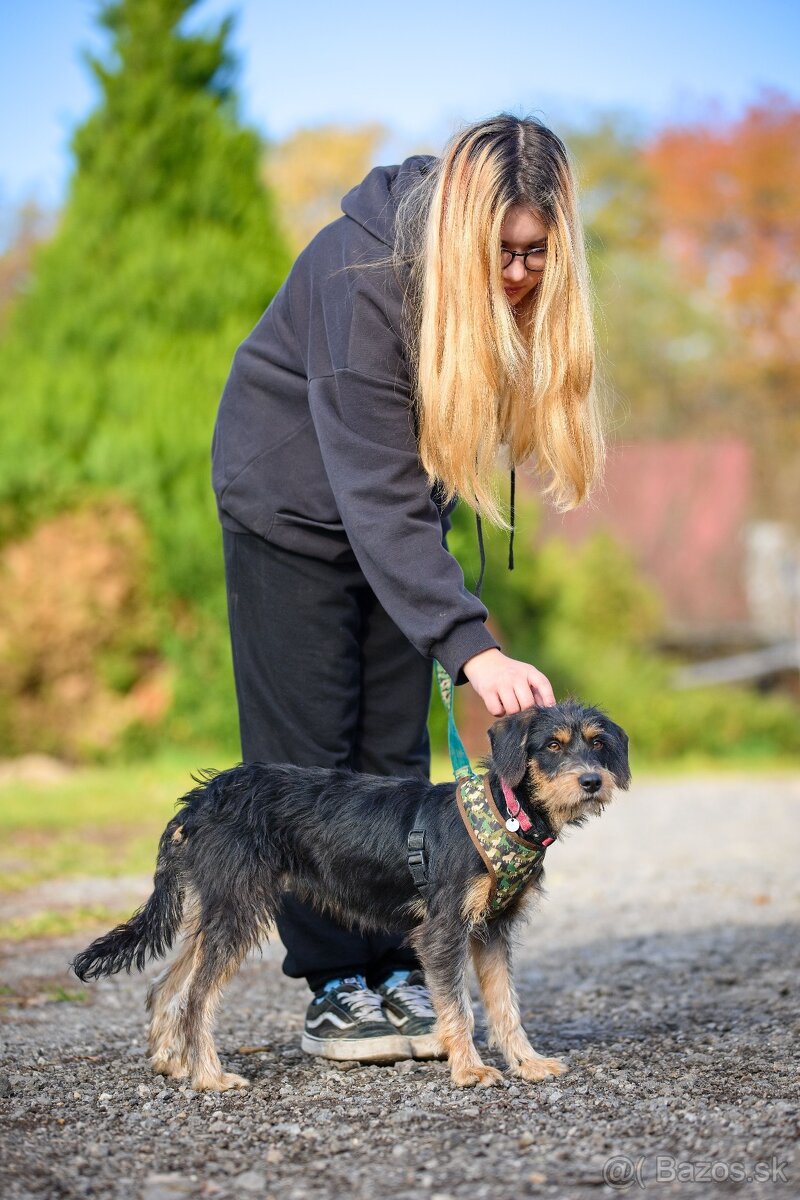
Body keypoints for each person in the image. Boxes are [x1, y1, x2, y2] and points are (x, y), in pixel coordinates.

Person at [211, 113, 603, 1062]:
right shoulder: (364, 274)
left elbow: (404, 494)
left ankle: (394, 964)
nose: (520, 273)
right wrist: (470, 643)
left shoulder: (499, 294)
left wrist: (446, 621)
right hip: (289, 511)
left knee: (391, 745)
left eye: (537, 254)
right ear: (464, 228)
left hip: (393, 526)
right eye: (503, 252)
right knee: (311, 753)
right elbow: (370, 486)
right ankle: (335, 983)